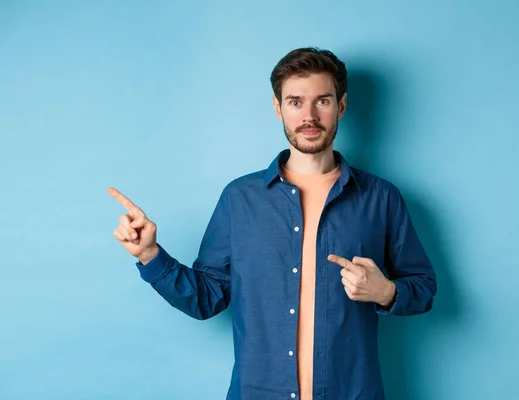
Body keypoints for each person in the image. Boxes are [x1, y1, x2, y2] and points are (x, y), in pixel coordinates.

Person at [109, 47, 437, 400]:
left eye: (322, 101)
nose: (309, 116)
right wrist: (149, 254)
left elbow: (424, 287)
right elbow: (206, 298)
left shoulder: (381, 198)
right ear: (278, 107)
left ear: (341, 106)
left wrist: (386, 292)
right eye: (295, 102)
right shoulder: (240, 198)